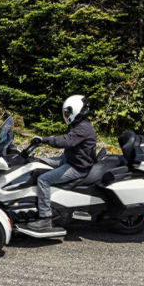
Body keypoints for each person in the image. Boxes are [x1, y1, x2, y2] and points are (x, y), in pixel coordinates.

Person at [26, 94, 97, 231]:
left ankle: (45, 218)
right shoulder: (81, 123)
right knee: (37, 162)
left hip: (77, 167)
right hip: (70, 159)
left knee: (43, 180)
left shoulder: (83, 128)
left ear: (76, 110)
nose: (66, 115)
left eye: (68, 112)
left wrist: (44, 140)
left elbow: (65, 141)